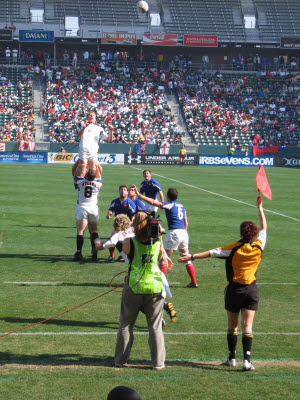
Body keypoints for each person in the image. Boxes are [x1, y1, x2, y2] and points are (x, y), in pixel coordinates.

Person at [178, 196, 267, 371]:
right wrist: (260, 208)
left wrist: (192, 256)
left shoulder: (233, 248)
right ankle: (247, 361)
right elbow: (264, 227)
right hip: (251, 290)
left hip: (235, 290)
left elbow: (212, 252)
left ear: (241, 233)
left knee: (232, 325)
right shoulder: (259, 246)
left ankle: (231, 357)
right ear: (254, 234)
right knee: (247, 326)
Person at [114, 211, 173, 369]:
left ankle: (121, 360)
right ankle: (158, 363)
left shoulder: (129, 242)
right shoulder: (157, 242)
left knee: (126, 324)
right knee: (155, 326)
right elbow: (162, 258)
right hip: (154, 286)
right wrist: (158, 233)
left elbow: (122, 247)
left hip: (134, 286)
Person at [134, 186, 198, 288]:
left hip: (175, 233)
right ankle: (194, 282)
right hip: (184, 233)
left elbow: (154, 202)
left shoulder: (169, 205)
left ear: (168, 197)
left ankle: (159, 283)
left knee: (162, 258)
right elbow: (186, 222)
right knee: (186, 258)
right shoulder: (181, 206)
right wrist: (183, 232)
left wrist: (140, 195)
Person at [73, 168, 102, 261]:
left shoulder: (80, 182)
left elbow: (76, 175)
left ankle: (78, 252)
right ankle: (95, 249)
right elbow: (99, 176)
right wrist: (96, 166)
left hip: (82, 208)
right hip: (93, 208)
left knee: (80, 231)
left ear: (86, 175)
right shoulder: (98, 183)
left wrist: (82, 167)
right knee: (94, 231)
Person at [77, 111, 113, 177]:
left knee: (93, 171)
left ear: (95, 118)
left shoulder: (99, 128)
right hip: (84, 148)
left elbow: (110, 139)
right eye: (89, 115)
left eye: (93, 115)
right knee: (83, 170)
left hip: (93, 150)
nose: (91, 116)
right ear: (87, 117)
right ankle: (80, 186)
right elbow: (79, 136)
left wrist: (111, 131)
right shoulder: (82, 125)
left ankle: (93, 186)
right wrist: (84, 128)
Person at [105, 185, 136, 262]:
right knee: (112, 238)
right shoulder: (115, 202)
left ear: (127, 192)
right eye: (121, 189)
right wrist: (109, 214)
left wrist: (130, 223)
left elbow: (133, 215)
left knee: (126, 241)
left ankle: (124, 255)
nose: (123, 191)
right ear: (119, 191)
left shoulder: (130, 203)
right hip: (117, 226)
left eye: (125, 189)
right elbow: (110, 210)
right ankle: (111, 256)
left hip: (127, 226)